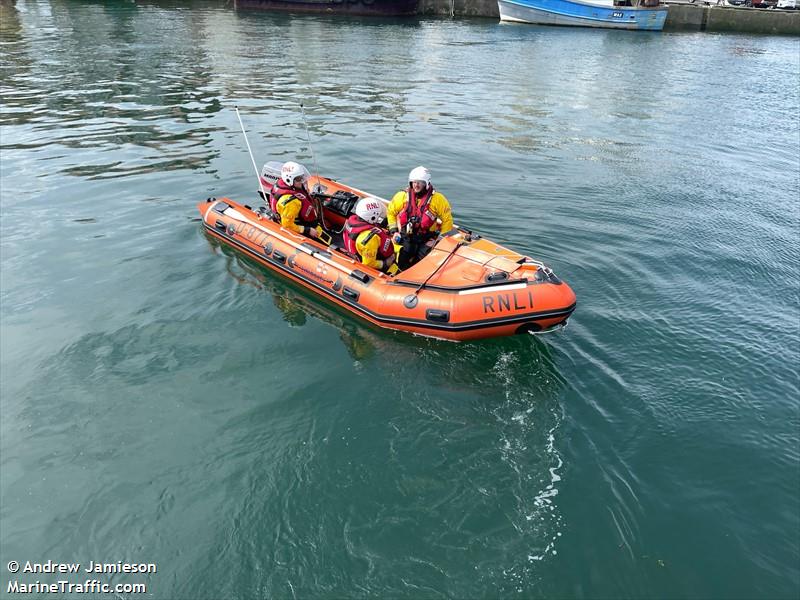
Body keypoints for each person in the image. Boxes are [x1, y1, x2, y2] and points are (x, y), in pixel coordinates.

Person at [387, 166, 453, 270]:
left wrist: (437, 241)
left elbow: (447, 221)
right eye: (414, 182)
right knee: (401, 260)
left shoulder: (438, 200)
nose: (416, 185)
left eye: (420, 182)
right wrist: (393, 231)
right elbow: (391, 212)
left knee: (423, 264)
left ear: (426, 183)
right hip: (406, 237)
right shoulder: (402, 196)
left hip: (426, 239)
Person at [344, 197, 397, 274]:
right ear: (371, 217)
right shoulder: (369, 239)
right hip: (379, 261)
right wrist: (385, 263)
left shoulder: (354, 221)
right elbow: (368, 264)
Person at [271, 161, 322, 240]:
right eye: (298, 179)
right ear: (289, 179)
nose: (302, 181)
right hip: (300, 226)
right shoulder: (291, 202)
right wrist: (307, 230)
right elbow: (287, 225)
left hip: (303, 220)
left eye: (302, 177)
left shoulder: (287, 186)